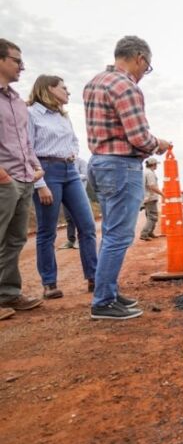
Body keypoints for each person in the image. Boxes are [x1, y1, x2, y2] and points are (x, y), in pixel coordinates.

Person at [84, 35, 172, 320]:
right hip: (121, 165)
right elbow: (138, 137)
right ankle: (103, 302)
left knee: (111, 232)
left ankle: (108, 292)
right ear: (139, 58)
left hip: (99, 162)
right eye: (146, 68)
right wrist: (158, 142)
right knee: (118, 236)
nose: (143, 74)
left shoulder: (95, 82)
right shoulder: (127, 88)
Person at [27, 75, 98, 300]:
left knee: (87, 226)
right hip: (46, 172)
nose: (68, 91)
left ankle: (94, 277)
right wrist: (39, 184)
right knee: (47, 231)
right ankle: (49, 283)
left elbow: (75, 141)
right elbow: (27, 150)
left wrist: (74, 155)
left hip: (71, 172)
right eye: (63, 87)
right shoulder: (31, 114)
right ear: (49, 89)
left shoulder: (63, 116)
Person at [0, 38, 44, 318]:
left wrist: (34, 168)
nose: (22, 67)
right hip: (3, 178)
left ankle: (8, 294)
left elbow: (26, 143)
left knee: (15, 240)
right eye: (16, 60)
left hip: (23, 177)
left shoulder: (17, 102)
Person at [60, 156, 88, 249]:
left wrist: (71, 176)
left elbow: (86, 175)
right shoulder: (63, 162)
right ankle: (71, 240)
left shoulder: (81, 161)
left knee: (79, 219)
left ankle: (80, 241)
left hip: (79, 195)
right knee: (69, 219)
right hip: (66, 193)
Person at [140, 157, 163, 241]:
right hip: (150, 197)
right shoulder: (150, 173)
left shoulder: (145, 172)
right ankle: (144, 234)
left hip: (146, 197)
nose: (157, 166)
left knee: (149, 216)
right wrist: (162, 194)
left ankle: (150, 232)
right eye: (156, 164)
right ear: (153, 164)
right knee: (153, 217)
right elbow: (152, 186)